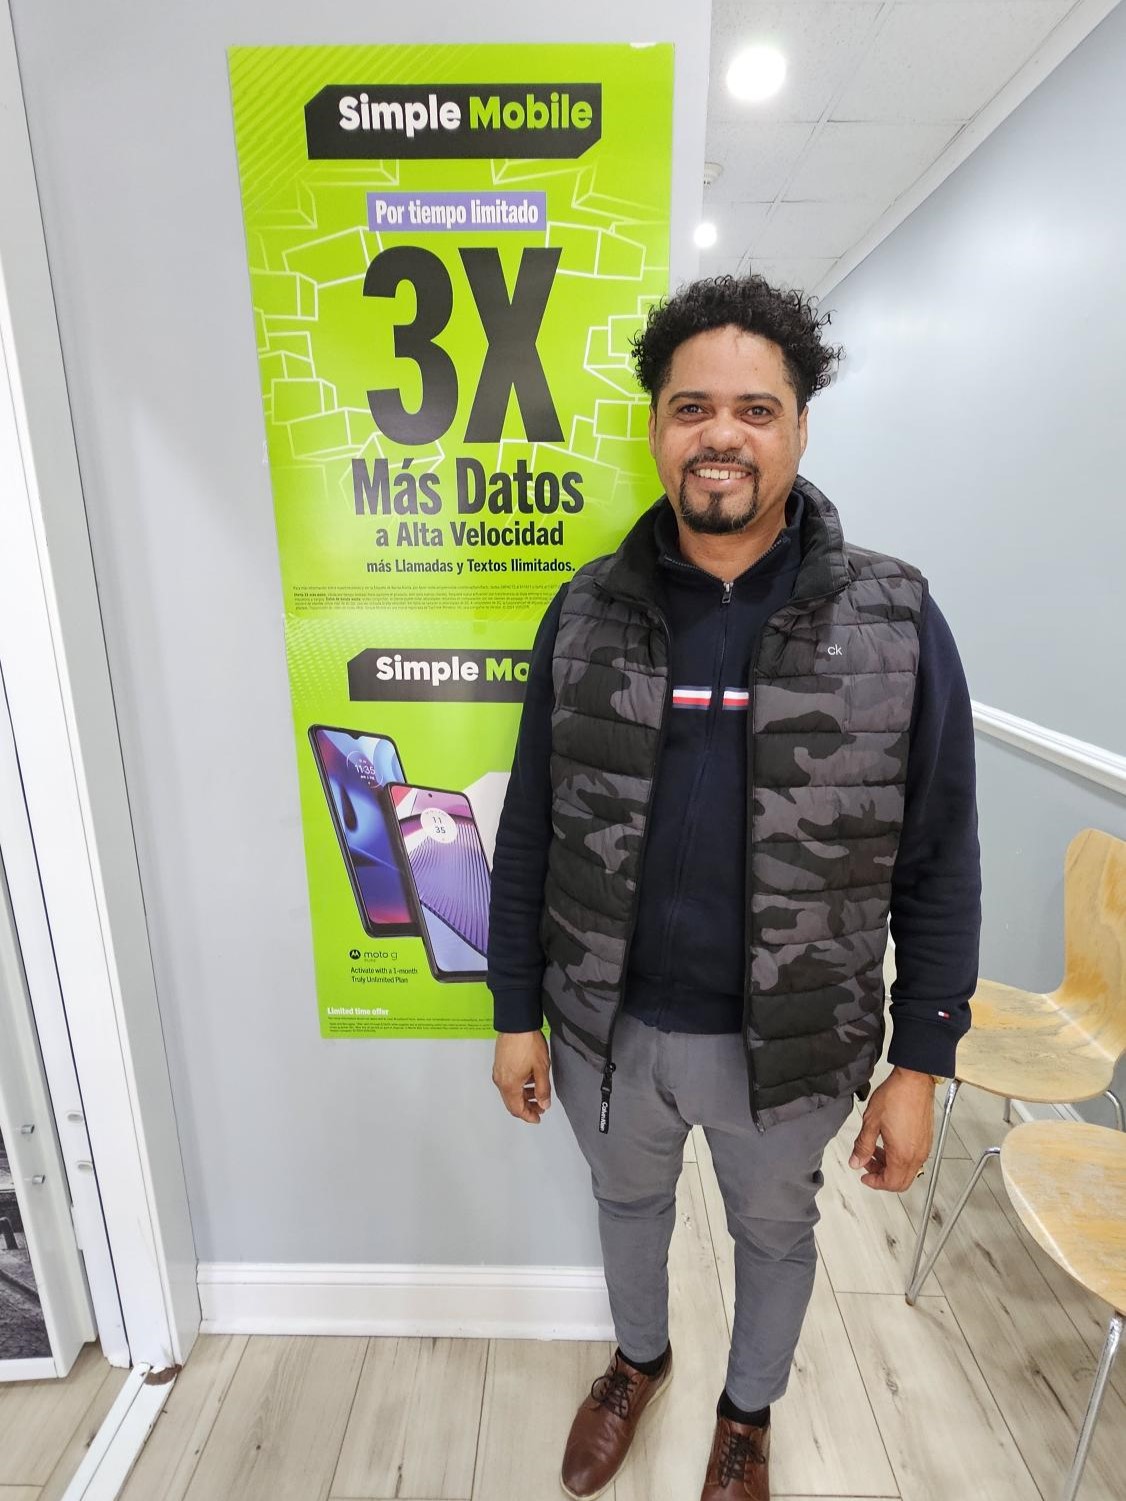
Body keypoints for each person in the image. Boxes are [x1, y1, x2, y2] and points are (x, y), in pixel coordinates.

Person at [487, 275, 981, 1501]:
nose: (721, 435)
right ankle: (638, 1360)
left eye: (755, 409)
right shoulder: (585, 613)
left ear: (799, 426)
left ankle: (746, 1412)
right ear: (656, 426)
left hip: (792, 1043)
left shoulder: (895, 619)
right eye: (691, 407)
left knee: (774, 1232)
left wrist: (920, 1063)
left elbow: (938, 856)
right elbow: (532, 824)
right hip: (608, 1032)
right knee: (626, 1208)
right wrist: (513, 1012)